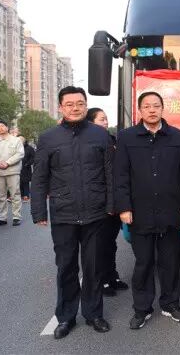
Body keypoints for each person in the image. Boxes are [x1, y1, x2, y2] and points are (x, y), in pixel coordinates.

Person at [31, 86, 114, 339]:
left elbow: (110, 174)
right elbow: (40, 177)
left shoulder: (101, 135)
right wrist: (38, 211)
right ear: (60, 107)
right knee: (66, 267)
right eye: (69, 104)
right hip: (63, 213)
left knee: (93, 267)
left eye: (80, 103)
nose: (75, 108)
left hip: (96, 213)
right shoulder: (48, 138)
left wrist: (112, 206)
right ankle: (66, 317)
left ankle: (94, 314)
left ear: (86, 105)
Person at [115, 91, 180, 330]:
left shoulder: (177, 136)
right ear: (140, 110)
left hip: (170, 209)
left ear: (162, 108)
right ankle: (142, 308)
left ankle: (170, 304)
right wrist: (124, 207)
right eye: (147, 106)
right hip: (140, 211)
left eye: (156, 106)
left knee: (170, 262)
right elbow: (120, 175)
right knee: (144, 263)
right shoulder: (127, 137)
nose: (152, 110)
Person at [85, 107, 129, 297]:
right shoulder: (88, 142)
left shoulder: (112, 139)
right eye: (101, 119)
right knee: (99, 244)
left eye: (106, 119)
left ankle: (112, 276)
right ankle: (100, 279)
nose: (105, 122)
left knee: (111, 242)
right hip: (99, 200)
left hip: (115, 198)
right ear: (91, 122)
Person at [0, 120, 24, 227]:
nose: (0, 128)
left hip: (12, 171)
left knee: (15, 194)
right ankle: (2, 218)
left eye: (2, 126)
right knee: (0, 196)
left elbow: (20, 154)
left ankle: (16, 217)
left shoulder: (16, 140)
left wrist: (8, 162)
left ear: (7, 127)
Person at [19, 136, 35, 202]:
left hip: (26, 168)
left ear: (24, 141)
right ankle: (21, 195)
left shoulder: (29, 148)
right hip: (17, 167)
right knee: (19, 182)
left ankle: (26, 195)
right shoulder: (17, 148)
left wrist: (28, 163)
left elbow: (33, 157)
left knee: (25, 182)